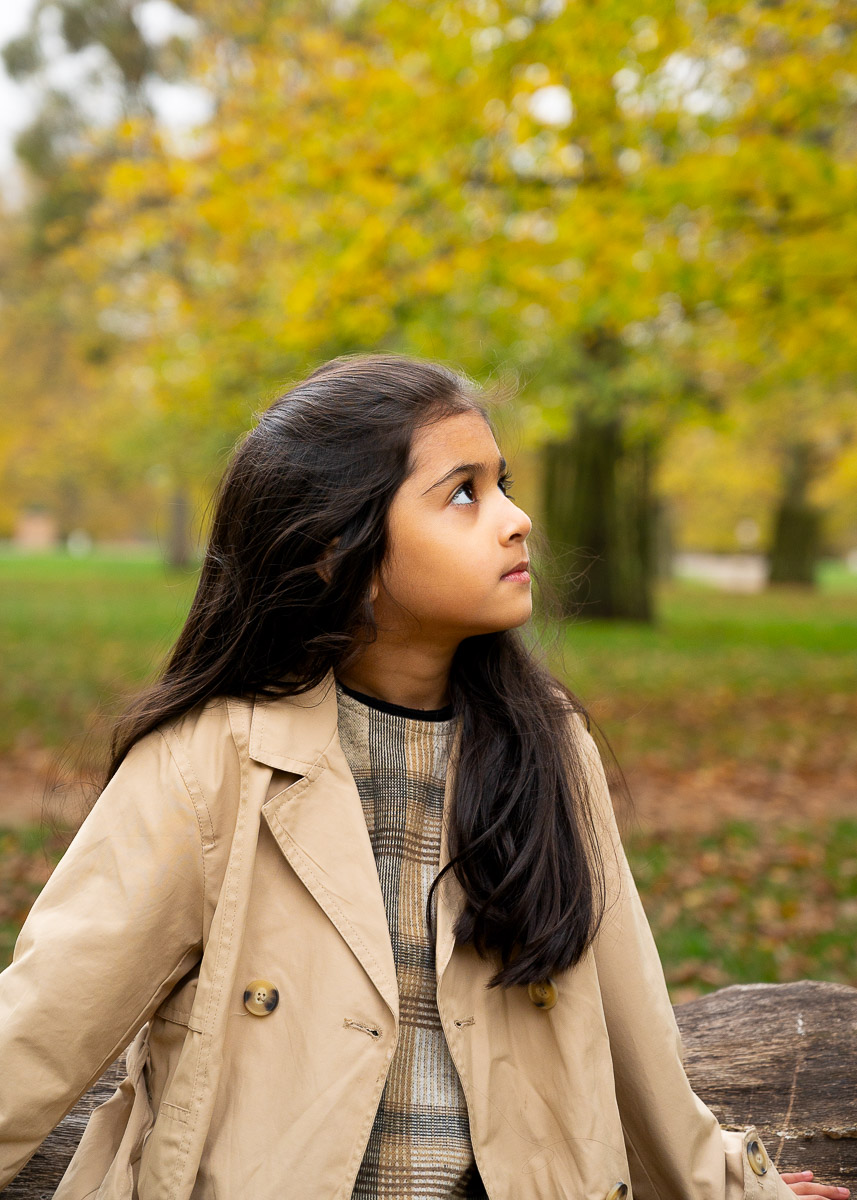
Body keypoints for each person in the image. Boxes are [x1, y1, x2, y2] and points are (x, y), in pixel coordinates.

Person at [0, 353, 847, 1200]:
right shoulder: (208, 767)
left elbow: (630, 1026)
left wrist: (736, 1188)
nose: (515, 520)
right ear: (337, 552)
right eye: (463, 493)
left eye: (502, 483)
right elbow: (40, 1030)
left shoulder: (547, 750)